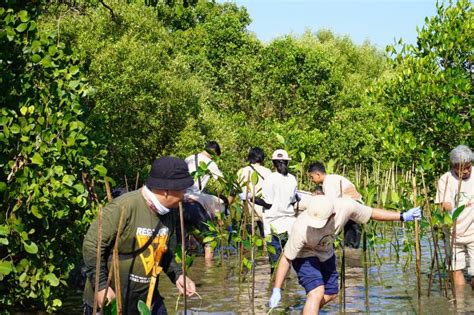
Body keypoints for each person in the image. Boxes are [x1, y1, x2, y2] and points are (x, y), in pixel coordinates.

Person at [268, 195, 421, 314]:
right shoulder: (300, 227)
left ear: (333, 215)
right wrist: (277, 289)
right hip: (304, 254)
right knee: (316, 291)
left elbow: (371, 212)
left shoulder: (346, 206)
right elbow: (286, 258)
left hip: (326, 253)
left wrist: (402, 216)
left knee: (331, 293)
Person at [82, 157, 197, 314]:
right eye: (182, 189)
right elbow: (91, 245)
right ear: (166, 191)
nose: (184, 194)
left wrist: (178, 276)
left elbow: (163, 253)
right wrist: (101, 286)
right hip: (111, 298)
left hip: (145, 300)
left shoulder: (170, 213)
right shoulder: (124, 207)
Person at [435, 145, 474, 287]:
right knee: (456, 270)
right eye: (461, 168)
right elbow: (444, 204)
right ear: (453, 166)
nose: (465, 171)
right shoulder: (445, 180)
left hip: (473, 232)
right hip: (453, 233)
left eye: (468, 167)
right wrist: (453, 207)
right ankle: (460, 306)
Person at [256, 149, 299, 273]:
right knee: (287, 261)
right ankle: (288, 286)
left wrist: (253, 199)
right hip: (289, 225)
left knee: (275, 264)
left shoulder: (270, 179)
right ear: (287, 163)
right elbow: (292, 201)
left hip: (273, 225)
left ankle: (276, 288)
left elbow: (268, 204)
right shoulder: (292, 179)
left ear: (273, 163)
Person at [184, 141, 225, 260]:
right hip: (194, 201)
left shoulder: (188, 158)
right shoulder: (210, 163)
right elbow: (222, 181)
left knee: (187, 235)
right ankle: (209, 267)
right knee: (210, 238)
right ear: (214, 153)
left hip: (179, 200)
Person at [308, 162, 362, 248]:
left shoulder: (328, 183)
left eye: (312, 177)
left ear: (317, 174)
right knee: (352, 236)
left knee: (350, 240)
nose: (312, 180)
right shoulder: (333, 178)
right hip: (355, 207)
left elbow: (331, 204)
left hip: (352, 207)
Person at [237, 147, 272, 238]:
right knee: (264, 234)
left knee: (246, 236)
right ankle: (264, 249)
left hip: (247, 207)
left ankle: (244, 250)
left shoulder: (242, 171)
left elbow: (237, 190)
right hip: (262, 207)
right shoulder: (268, 172)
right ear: (261, 157)